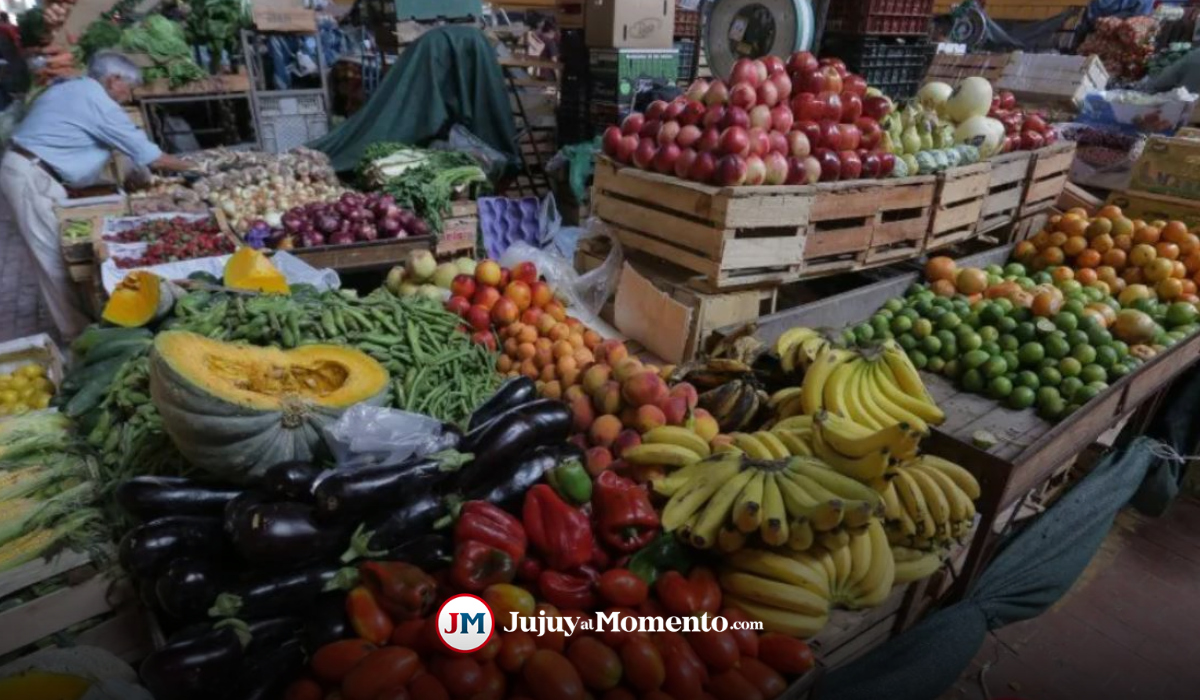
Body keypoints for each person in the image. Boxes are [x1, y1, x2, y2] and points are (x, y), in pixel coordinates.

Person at [0, 51, 193, 339]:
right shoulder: (98, 101)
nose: (128, 96)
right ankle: (77, 336)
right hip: (32, 176)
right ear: (113, 80)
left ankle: (82, 326)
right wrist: (197, 167)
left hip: (34, 171)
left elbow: (116, 150)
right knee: (53, 259)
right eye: (129, 87)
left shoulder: (74, 88)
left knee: (56, 255)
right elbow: (153, 157)